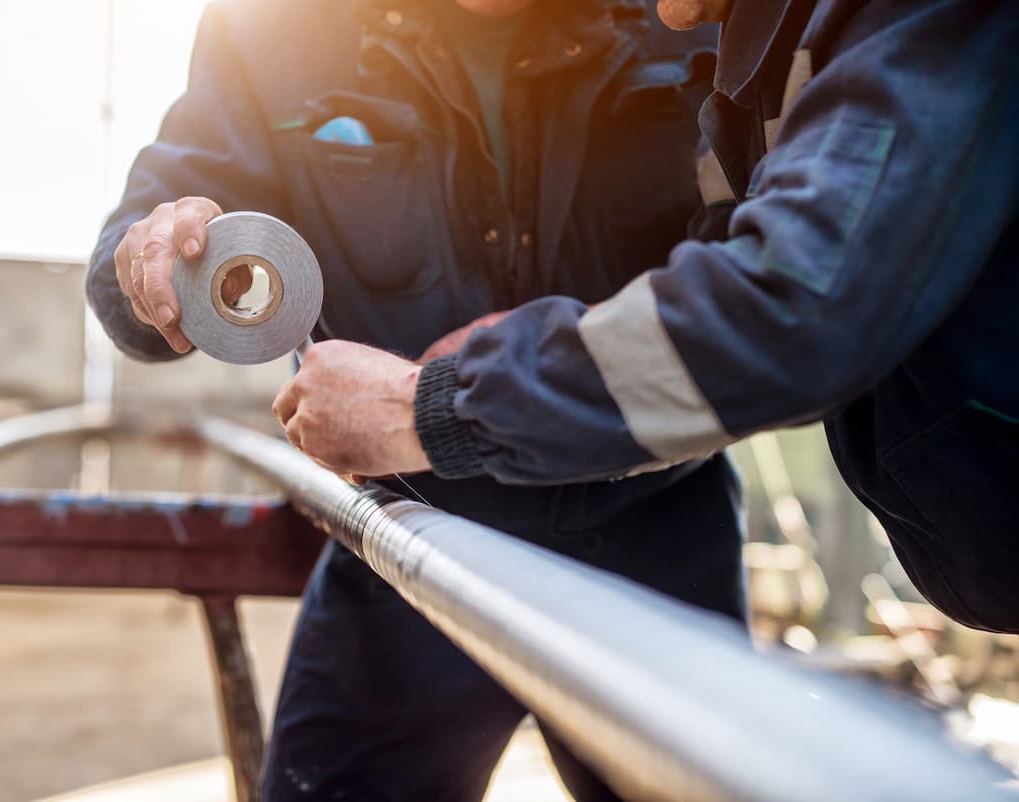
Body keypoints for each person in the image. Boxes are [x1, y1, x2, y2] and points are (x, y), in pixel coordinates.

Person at [88, 1, 748, 799]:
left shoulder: (691, 14)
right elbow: (153, 234)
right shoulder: (272, 32)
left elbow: (770, 285)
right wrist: (155, 266)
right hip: (410, 541)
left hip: (656, 533)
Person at [278, 0, 1019, 634]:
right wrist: (524, 357)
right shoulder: (765, 52)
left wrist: (425, 408)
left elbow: (787, 310)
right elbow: (763, 293)